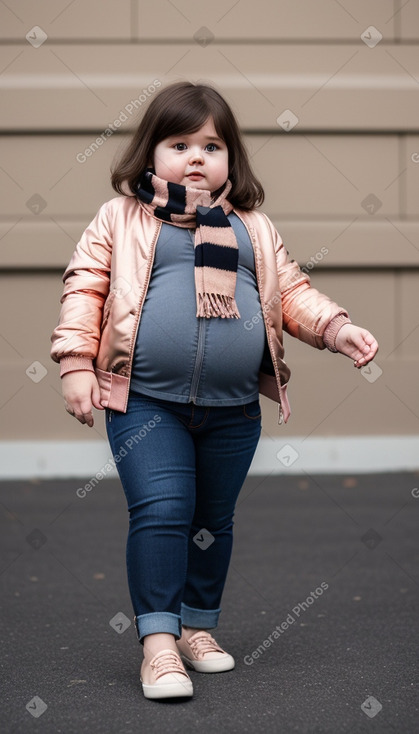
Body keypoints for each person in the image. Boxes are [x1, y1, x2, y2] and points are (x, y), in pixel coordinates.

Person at [50, 80, 378, 700]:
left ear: (233, 159)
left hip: (232, 410)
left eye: (212, 145)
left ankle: (198, 629)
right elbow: (85, 289)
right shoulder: (121, 218)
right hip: (147, 403)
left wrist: (337, 327)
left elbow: (291, 292)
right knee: (162, 510)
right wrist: (74, 364)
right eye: (180, 143)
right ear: (150, 153)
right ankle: (158, 645)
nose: (197, 157)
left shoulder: (251, 226)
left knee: (211, 522)